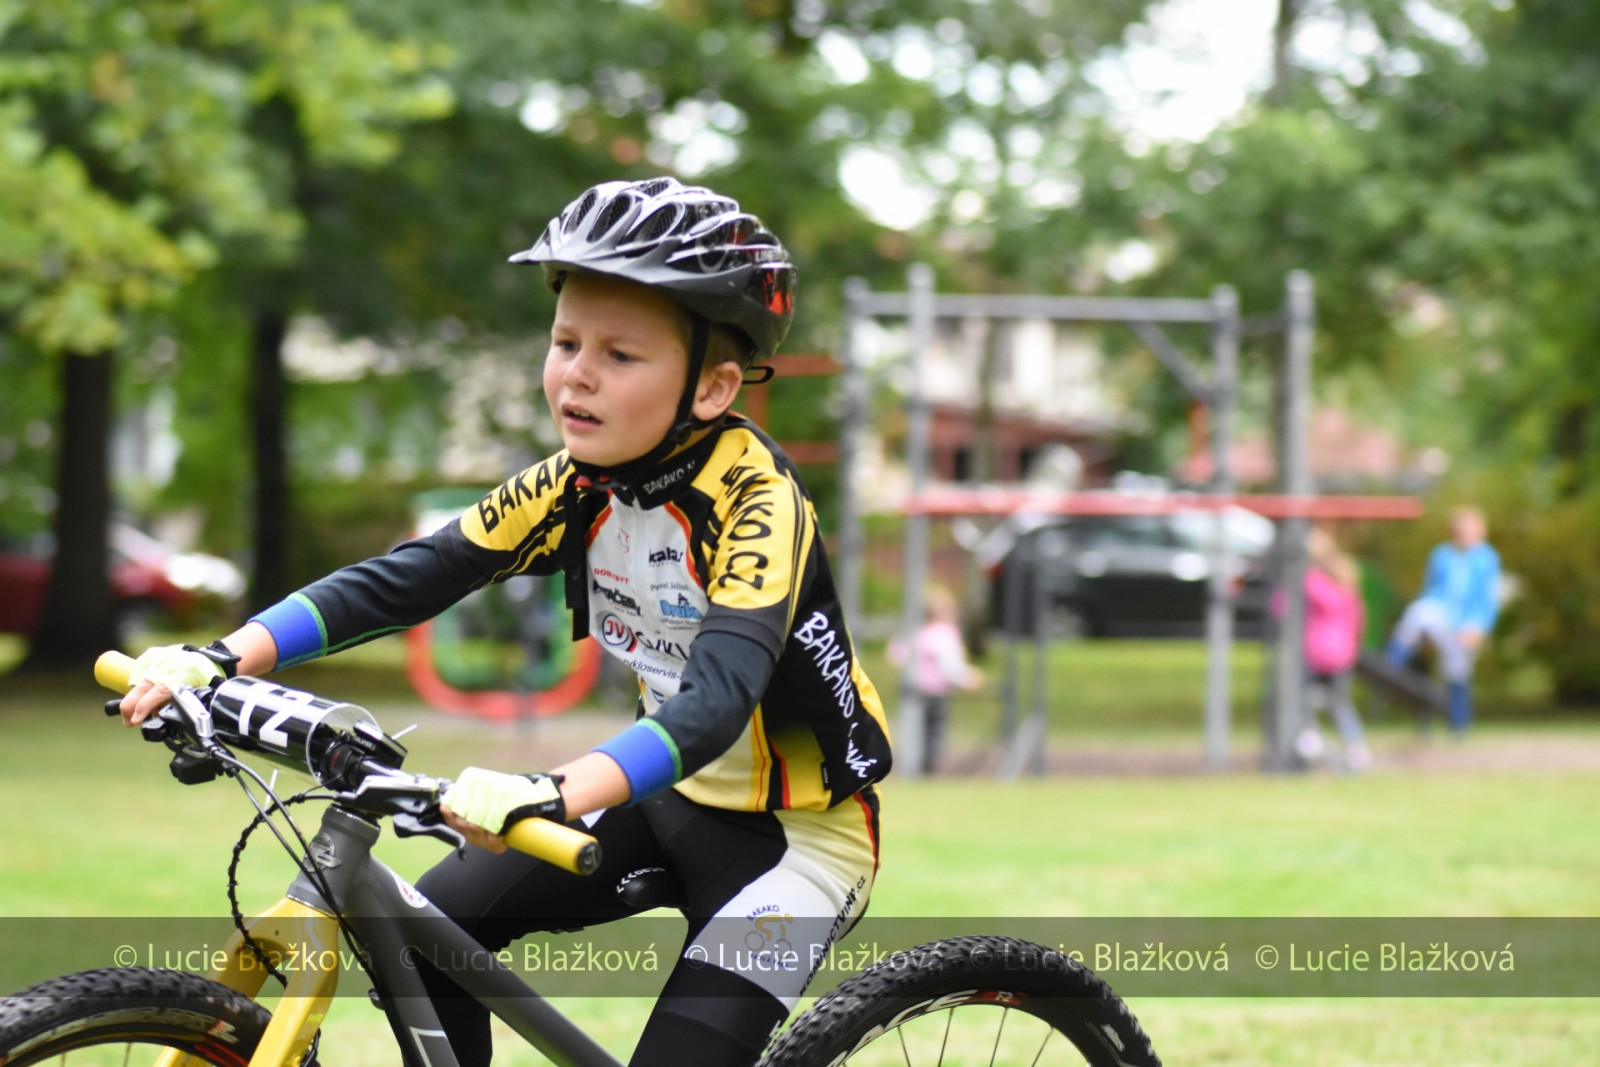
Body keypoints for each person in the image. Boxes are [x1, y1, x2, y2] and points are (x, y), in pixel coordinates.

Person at [118, 178, 893, 1067]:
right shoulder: (575, 482)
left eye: (619, 354)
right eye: (565, 342)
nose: (577, 374)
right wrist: (219, 656)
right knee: (427, 939)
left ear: (714, 386)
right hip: (663, 800)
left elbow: (717, 702)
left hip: (800, 840)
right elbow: (411, 576)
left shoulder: (758, 501)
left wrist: (555, 788)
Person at [1384, 505, 1502, 732]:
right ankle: (1393, 662)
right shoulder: (1442, 555)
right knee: (1418, 611)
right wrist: (1425, 633)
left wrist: (1478, 627)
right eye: (1459, 530)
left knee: (1458, 668)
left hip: (1467, 621)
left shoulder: (1486, 559)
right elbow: (1430, 590)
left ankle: (1458, 722)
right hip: (1441, 612)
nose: (1463, 534)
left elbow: (1487, 600)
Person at [1293, 526, 1371, 772]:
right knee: (1340, 704)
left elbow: (1282, 605)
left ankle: (1312, 742)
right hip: (1342, 655)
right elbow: (1358, 619)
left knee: (1304, 702)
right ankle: (1355, 747)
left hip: (1317, 654)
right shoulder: (1348, 589)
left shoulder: (1312, 582)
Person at [888, 583, 982, 774]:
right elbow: (951, 666)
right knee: (933, 734)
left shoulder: (916, 632)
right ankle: (927, 769)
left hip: (913, 689)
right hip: (935, 692)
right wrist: (967, 678)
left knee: (914, 732)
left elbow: (895, 655)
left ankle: (913, 768)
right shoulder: (945, 634)